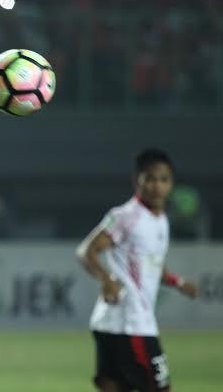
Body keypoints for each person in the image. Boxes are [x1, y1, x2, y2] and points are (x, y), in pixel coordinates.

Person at [76, 148, 199, 392]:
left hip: (112, 324)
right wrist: (106, 280)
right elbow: (86, 251)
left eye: (163, 180)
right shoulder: (125, 216)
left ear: (171, 183)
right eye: (150, 179)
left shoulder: (160, 219)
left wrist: (179, 282)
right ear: (137, 181)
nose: (157, 186)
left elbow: (151, 266)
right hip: (130, 323)